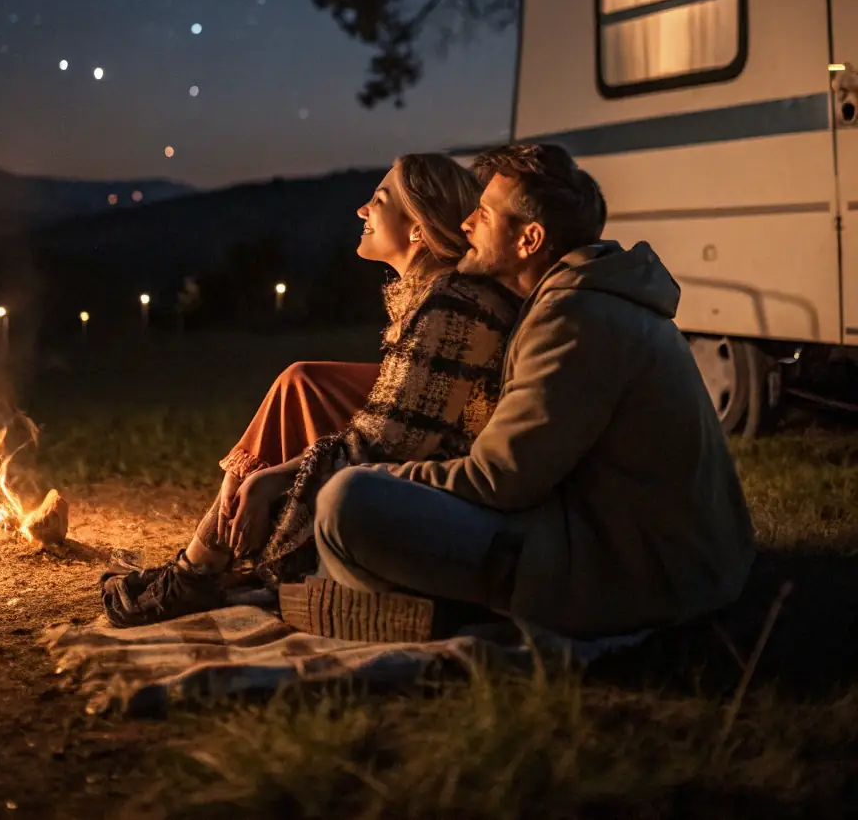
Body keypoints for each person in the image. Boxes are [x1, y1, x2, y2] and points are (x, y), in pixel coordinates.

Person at [307, 143, 755, 642]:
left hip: (634, 572)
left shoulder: (574, 318)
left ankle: (436, 611)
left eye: (483, 213)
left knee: (347, 502)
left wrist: (383, 473)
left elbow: (499, 480)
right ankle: (409, 599)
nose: (465, 225)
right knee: (363, 500)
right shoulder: (584, 298)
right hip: (648, 551)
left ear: (529, 239)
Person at [101, 152, 523, 627]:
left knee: (301, 418)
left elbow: (383, 445)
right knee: (302, 381)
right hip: (431, 444)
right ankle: (205, 561)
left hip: (446, 477)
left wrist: (275, 477)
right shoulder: (437, 295)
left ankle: (198, 569)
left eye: (379, 200)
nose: (362, 210)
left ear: (417, 230)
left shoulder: (452, 305)